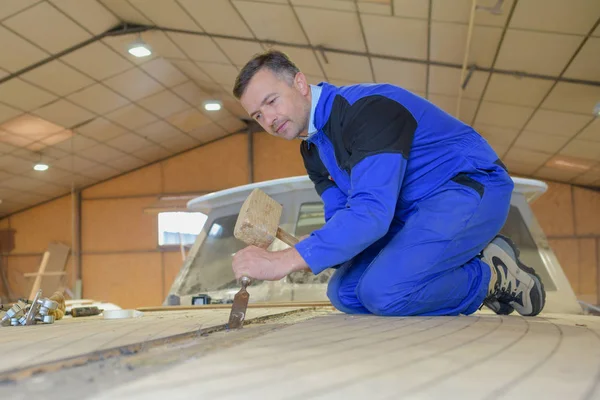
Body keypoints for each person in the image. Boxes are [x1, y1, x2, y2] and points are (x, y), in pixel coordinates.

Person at [230, 49, 546, 317]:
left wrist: (281, 262)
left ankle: (489, 275)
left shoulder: (367, 111)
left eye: (272, 101)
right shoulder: (312, 151)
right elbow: (344, 215)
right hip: (409, 214)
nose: (269, 119)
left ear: (299, 83)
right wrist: (313, 245)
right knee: (345, 294)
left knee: (384, 293)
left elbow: (370, 215)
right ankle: (458, 261)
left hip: (466, 189)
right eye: (257, 115)